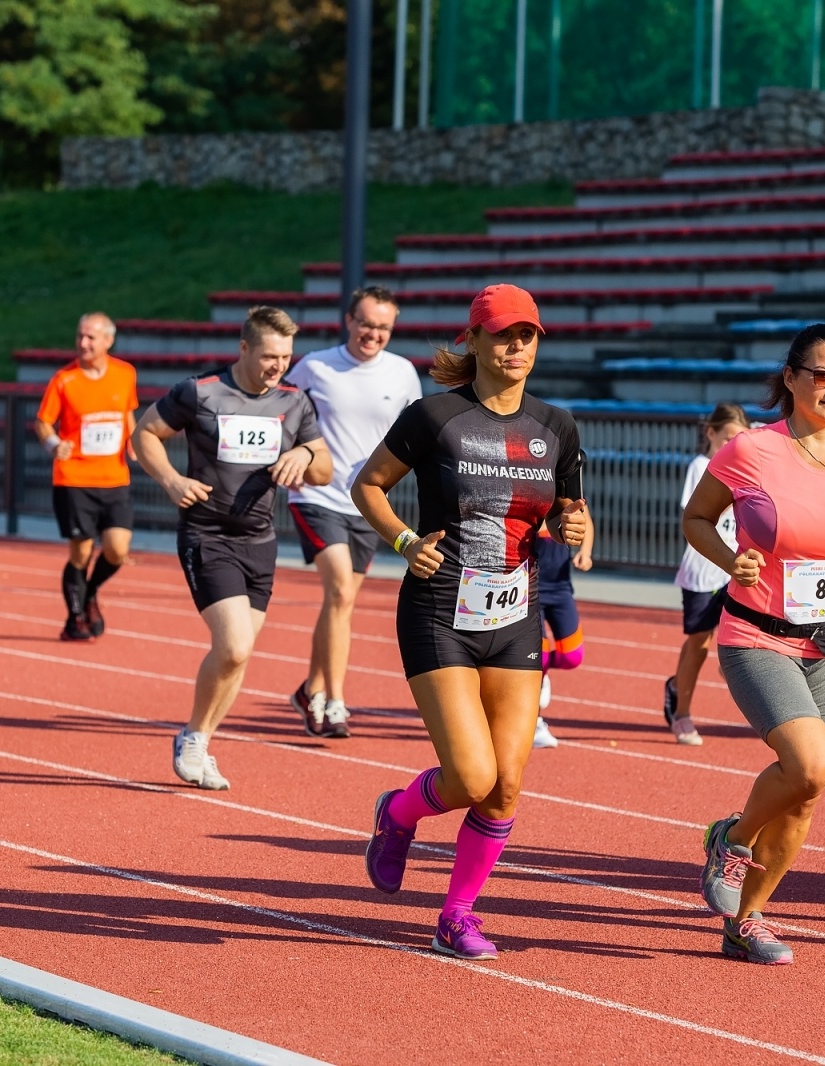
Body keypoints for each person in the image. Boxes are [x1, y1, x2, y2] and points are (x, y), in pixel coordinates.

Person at [354, 284, 587, 961]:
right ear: (476, 340)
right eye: (505, 334)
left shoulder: (557, 426)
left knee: (508, 784)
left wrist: (579, 525)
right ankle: (399, 814)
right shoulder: (435, 417)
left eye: (529, 336)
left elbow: (570, 509)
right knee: (470, 777)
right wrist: (402, 540)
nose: (517, 347)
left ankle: (456, 915)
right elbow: (368, 485)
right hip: (438, 608)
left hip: (515, 612)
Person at [693, 324, 825, 966]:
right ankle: (731, 840)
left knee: (807, 791)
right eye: (823, 375)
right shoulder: (751, 450)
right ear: (790, 378)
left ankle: (747, 921)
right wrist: (732, 560)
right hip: (757, 634)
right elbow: (697, 518)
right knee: (810, 765)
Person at [133, 307, 330, 791]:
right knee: (234, 644)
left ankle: (200, 738)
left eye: (285, 357)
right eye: (268, 356)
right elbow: (145, 433)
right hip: (207, 534)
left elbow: (324, 469)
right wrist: (171, 479)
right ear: (243, 349)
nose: (277, 365)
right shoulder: (199, 392)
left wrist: (304, 453)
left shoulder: (294, 402)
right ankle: (192, 737)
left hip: (260, 541)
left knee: (239, 657)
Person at [285, 285, 424, 737]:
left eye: (383, 327)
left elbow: (416, 437)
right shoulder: (315, 367)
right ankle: (335, 701)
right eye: (366, 323)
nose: (373, 334)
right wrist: (300, 455)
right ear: (349, 320)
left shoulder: (403, 373)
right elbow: (280, 412)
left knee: (340, 603)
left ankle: (311, 690)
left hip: (368, 502)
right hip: (317, 494)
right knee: (341, 591)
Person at [35, 312, 140, 641]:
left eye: (91, 337)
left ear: (108, 341)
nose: (83, 343)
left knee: (117, 549)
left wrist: (134, 443)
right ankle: (75, 618)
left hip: (114, 478)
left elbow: (127, 413)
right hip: (74, 478)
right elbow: (42, 422)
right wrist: (54, 444)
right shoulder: (64, 380)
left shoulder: (125, 374)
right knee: (80, 553)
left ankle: (90, 592)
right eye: (80, 336)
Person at [664, 402, 751, 746]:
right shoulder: (701, 466)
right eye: (727, 438)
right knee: (698, 643)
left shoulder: (750, 467)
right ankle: (682, 710)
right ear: (711, 434)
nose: (733, 446)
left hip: (739, 566)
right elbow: (698, 515)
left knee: (746, 635)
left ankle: (734, 670)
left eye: (739, 440)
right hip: (705, 567)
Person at [531, 505, 594, 749]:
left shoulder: (568, 489)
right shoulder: (529, 488)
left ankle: (542, 673)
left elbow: (585, 522)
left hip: (560, 589)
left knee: (572, 656)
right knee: (539, 657)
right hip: (529, 587)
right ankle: (534, 723)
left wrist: (585, 552)